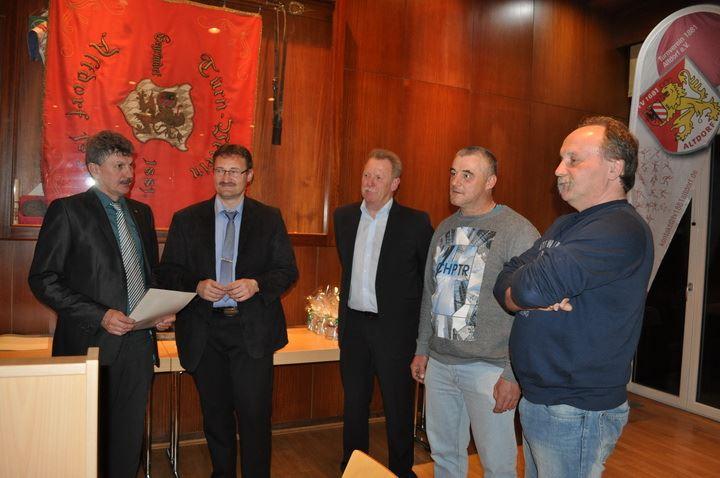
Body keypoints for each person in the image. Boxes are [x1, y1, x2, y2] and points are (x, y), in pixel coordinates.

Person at [493, 117, 653, 477]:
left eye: (573, 159)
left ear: (614, 168)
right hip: (542, 399)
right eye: (561, 158)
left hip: (576, 409)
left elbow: (527, 288)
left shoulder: (621, 228)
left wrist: (528, 290)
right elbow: (506, 278)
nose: (558, 169)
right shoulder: (565, 224)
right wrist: (529, 291)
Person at [28, 130, 174, 478]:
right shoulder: (68, 211)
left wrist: (158, 310)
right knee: (87, 438)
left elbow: (148, 274)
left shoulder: (142, 213)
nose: (129, 173)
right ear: (94, 168)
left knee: (128, 437)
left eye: (131, 165)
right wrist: (101, 315)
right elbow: (43, 279)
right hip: (90, 343)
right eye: (119, 166)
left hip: (139, 345)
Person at [159, 144, 298, 478]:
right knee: (216, 417)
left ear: (249, 176)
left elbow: (287, 270)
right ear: (213, 174)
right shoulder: (186, 219)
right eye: (220, 170)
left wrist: (257, 285)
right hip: (204, 332)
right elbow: (168, 272)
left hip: (251, 332)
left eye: (234, 171)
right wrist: (196, 286)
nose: (226, 178)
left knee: (254, 417)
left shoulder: (269, 218)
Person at [411, 146, 539, 478]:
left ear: (490, 181)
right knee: (444, 458)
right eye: (453, 173)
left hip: (490, 370)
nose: (456, 181)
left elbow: (534, 311)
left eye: (467, 175)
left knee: (497, 466)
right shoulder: (444, 229)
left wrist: (513, 374)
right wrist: (423, 349)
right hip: (440, 365)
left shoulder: (517, 230)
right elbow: (430, 293)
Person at [334, 149, 433, 477]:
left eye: (378, 177)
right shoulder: (344, 217)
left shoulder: (415, 222)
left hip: (395, 331)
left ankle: (401, 471)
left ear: (394, 184)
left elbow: (427, 281)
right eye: (366, 175)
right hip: (354, 328)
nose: (370, 182)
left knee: (398, 406)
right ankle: (352, 468)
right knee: (354, 405)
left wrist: (422, 338)